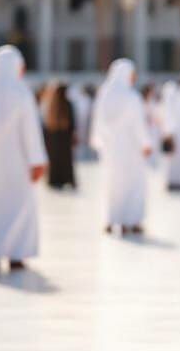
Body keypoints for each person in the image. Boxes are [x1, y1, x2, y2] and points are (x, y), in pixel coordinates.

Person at [0, 46, 48, 272]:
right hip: (18, 162)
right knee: (19, 207)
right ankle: (16, 254)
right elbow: (30, 130)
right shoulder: (21, 92)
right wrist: (36, 160)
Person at [90, 59, 152, 235]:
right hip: (131, 150)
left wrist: (101, 142)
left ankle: (112, 220)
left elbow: (98, 123)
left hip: (111, 150)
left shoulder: (104, 95)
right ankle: (130, 221)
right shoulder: (132, 97)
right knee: (132, 184)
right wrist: (146, 144)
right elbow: (138, 125)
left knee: (112, 184)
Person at [41, 82, 77, 190]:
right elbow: (72, 122)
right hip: (64, 138)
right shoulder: (66, 104)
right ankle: (66, 179)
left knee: (55, 159)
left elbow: (45, 124)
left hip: (53, 138)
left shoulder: (50, 104)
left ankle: (54, 180)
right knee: (66, 160)